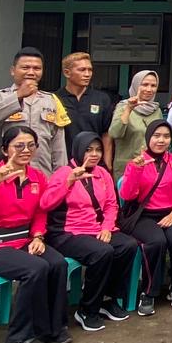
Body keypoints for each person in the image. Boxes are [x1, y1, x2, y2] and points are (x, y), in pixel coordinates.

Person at [0, 125, 69, 343]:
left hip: (24, 241)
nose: (26, 150)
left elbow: (41, 212)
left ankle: (51, 328)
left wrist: (38, 236)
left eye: (31, 145)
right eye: (19, 146)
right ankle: (18, 337)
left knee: (57, 263)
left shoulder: (37, 177)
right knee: (35, 268)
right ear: (5, 150)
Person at [41, 131, 138, 331]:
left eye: (98, 150)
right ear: (77, 150)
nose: (94, 154)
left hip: (97, 228)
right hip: (68, 232)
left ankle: (107, 299)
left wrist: (107, 227)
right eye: (88, 150)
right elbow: (46, 204)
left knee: (127, 245)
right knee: (102, 252)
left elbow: (111, 205)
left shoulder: (102, 173)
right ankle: (87, 309)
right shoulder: (63, 173)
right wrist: (69, 182)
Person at [119, 119, 172, 315]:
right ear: (148, 138)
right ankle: (149, 291)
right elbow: (127, 195)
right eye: (157, 136)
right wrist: (136, 170)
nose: (161, 140)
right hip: (144, 215)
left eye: (166, 136)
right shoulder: (137, 162)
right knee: (156, 242)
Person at [0, 47, 69, 174]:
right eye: (25, 68)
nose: (31, 72)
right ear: (13, 70)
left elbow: (58, 145)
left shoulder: (52, 100)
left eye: (37, 68)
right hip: (8, 174)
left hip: (43, 174)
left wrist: (61, 176)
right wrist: (18, 95)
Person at [56, 52, 115, 168]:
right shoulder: (55, 99)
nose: (87, 74)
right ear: (67, 73)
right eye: (82, 70)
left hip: (95, 163)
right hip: (65, 164)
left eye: (90, 70)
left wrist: (107, 165)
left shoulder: (102, 99)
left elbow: (106, 135)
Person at [109, 70, 163, 176]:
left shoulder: (156, 110)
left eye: (153, 85)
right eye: (145, 85)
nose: (149, 89)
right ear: (136, 85)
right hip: (127, 168)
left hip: (151, 167)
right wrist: (129, 109)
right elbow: (114, 133)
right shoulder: (123, 107)